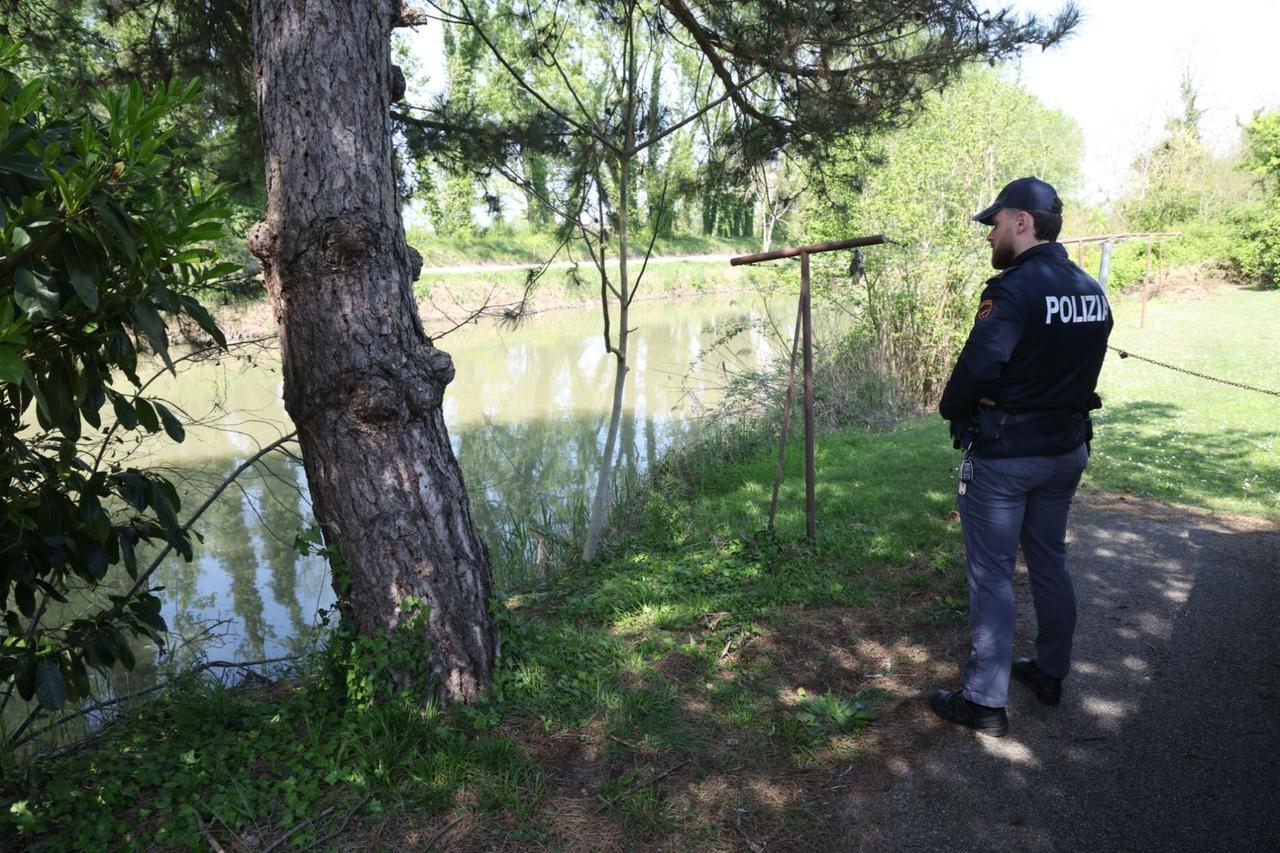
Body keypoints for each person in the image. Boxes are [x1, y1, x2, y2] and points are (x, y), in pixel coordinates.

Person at [928, 177, 1113, 737]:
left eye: (996, 223)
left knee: (991, 574)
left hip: (1008, 456)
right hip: (1065, 451)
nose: (991, 236)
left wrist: (954, 407)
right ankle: (1051, 672)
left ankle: (984, 701)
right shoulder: (1090, 289)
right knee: (1050, 559)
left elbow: (980, 367)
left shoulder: (1012, 291)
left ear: (1023, 221)